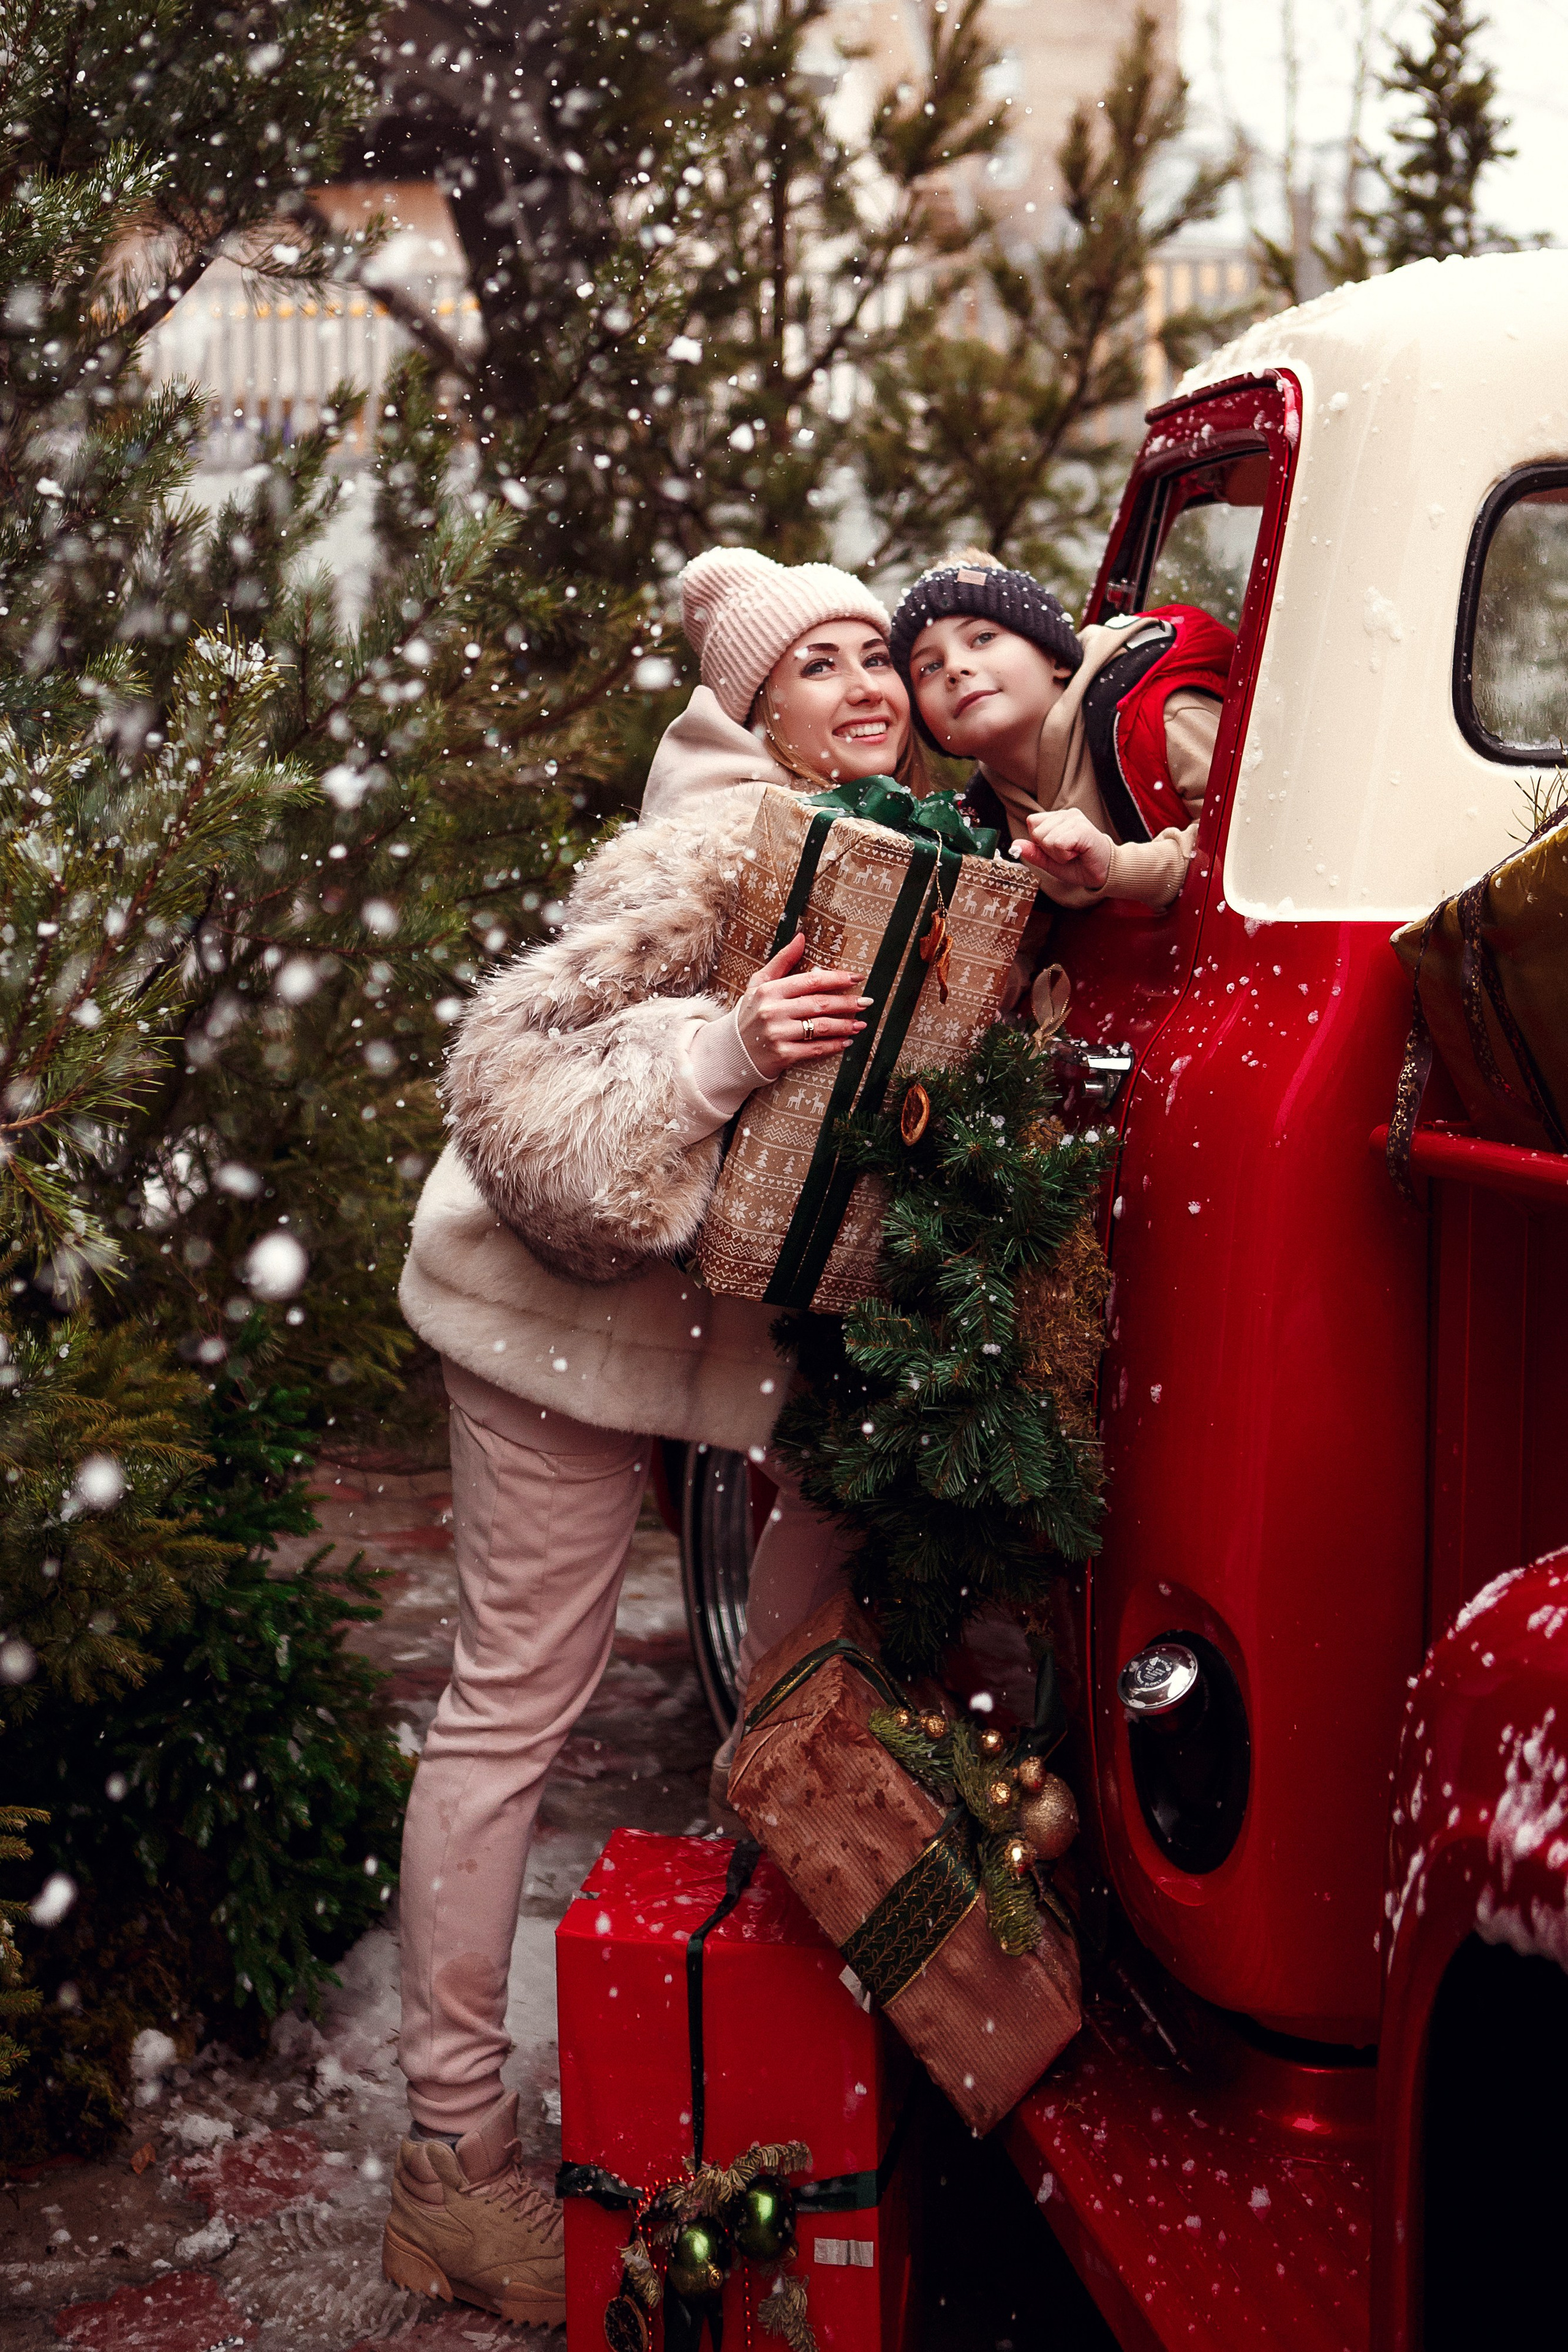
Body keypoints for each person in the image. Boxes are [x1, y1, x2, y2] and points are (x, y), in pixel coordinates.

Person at [380, 548, 922, 2328]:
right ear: (749, 708)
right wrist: (722, 1042)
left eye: (879, 655)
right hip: (548, 1326)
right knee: (511, 1699)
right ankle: (450, 2169)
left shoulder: (897, 849)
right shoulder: (698, 852)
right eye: (819, 661)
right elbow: (518, 1083)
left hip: (710, 1351)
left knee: (803, 1657)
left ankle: (755, 2062)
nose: (864, 682)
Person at [888, 552, 1232, 912]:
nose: (955, 668)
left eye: (983, 638)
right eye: (929, 667)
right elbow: (1012, 952)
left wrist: (1117, 867)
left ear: (1058, 659)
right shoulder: (983, 823)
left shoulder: (1155, 717)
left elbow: (1255, 849)